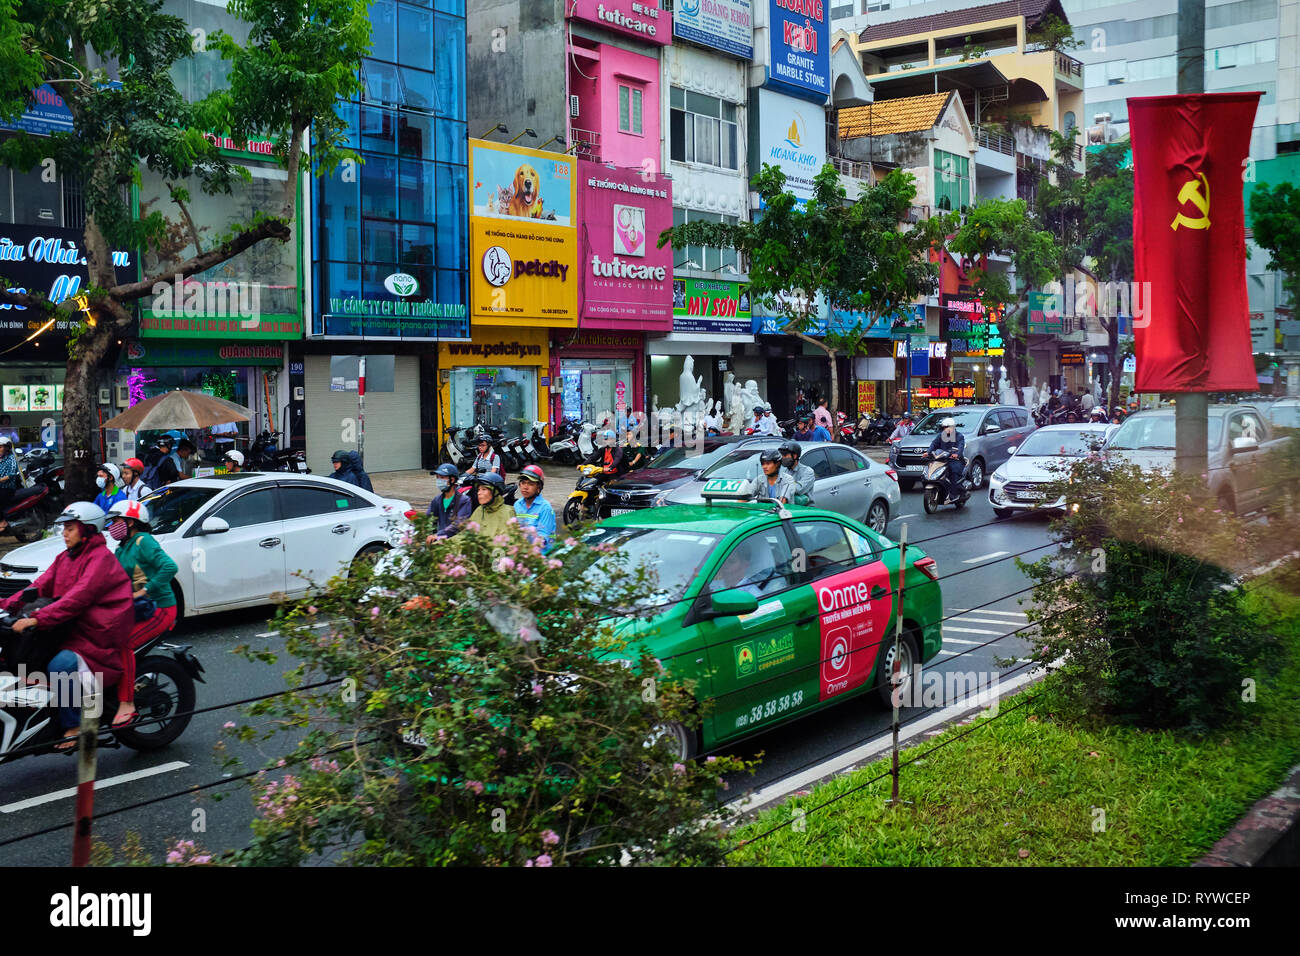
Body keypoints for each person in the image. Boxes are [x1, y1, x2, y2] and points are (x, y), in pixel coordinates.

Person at [0, 502, 133, 750]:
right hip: (71, 625)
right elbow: (38, 586)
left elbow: (77, 599)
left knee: (59, 665)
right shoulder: (66, 557)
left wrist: (37, 618)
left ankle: (75, 725)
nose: (64, 533)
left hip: (97, 631)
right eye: (64, 528)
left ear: (89, 530)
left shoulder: (100, 559)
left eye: (70, 528)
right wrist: (7, 605)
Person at [104, 500, 178, 728]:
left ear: (131, 522)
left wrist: (146, 590)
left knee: (125, 643)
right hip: (137, 610)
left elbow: (170, 567)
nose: (112, 526)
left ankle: (127, 703)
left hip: (160, 608)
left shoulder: (143, 541)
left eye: (116, 521)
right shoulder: (122, 547)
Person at [513, 464, 556, 550]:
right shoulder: (517, 504)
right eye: (523, 483)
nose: (525, 487)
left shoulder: (545, 508)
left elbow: (543, 538)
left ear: (538, 487)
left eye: (531, 484)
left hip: (541, 555)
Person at [427, 463, 473, 538]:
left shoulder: (464, 501)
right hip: (439, 542)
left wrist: (438, 535)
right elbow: (428, 519)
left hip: (455, 544)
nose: (439, 480)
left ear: (452, 480)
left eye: (442, 477)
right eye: (437, 477)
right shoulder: (437, 500)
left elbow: (458, 525)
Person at [927, 416, 966, 502]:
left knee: (953, 472)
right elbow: (934, 444)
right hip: (942, 459)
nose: (946, 429)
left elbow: (961, 446)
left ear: (953, 427)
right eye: (944, 427)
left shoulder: (959, 436)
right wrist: (928, 452)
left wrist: (956, 454)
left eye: (948, 427)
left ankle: (954, 494)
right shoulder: (941, 435)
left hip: (955, 460)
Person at [467, 472, 514, 538]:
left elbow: (506, 541)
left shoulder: (507, 512)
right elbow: (465, 534)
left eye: (484, 489)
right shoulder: (479, 510)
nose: (479, 493)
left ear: (495, 492)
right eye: (478, 490)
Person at [0, 436, 18, 532]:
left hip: (7, 488)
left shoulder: (11, 458)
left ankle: (2, 521)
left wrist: (1, 480)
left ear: (7, 448)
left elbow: (12, 474)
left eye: (0, 447)